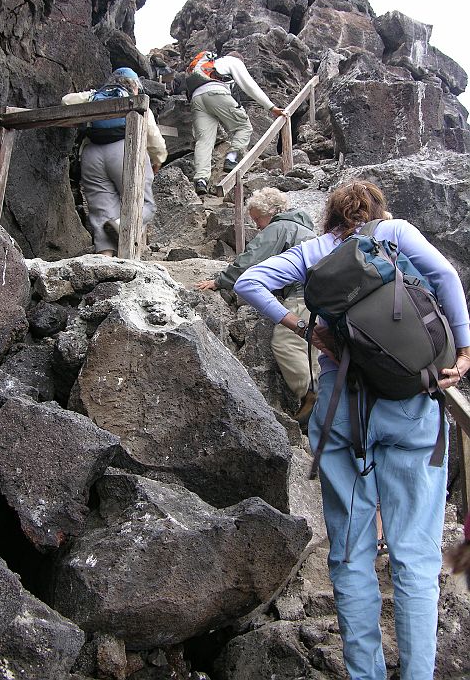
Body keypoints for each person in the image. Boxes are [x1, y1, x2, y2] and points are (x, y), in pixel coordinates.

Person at [233, 180, 470, 680]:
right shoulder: (397, 234)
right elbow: (447, 276)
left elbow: (248, 282)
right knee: (414, 555)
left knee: (349, 554)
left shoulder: (315, 251)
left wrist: (301, 326)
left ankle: (364, 672)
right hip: (410, 408)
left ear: (330, 217)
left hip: (342, 411)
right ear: (378, 211)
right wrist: (465, 349)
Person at [195, 187, 319, 420]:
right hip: (322, 296)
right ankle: (319, 405)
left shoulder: (279, 228)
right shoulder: (304, 229)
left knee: (286, 341)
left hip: (304, 294)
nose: (257, 226)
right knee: (312, 345)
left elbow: (251, 259)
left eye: (257, 219)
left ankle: (312, 395)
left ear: (271, 213)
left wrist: (220, 281)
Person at [61, 68, 167, 256]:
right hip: (125, 149)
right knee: (143, 204)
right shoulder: (134, 99)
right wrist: (158, 160)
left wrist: (93, 95)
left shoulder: (95, 97)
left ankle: (104, 259)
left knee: (102, 211)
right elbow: (154, 139)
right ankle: (121, 230)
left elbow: (66, 101)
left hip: (92, 154)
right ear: (135, 86)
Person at [185, 50, 285, 195]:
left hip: (197, 98)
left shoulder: (211, 64)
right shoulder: (234, 61)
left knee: (204, 141)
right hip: (216, 93)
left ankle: (201, 180)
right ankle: (231, 158)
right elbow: (249, 86)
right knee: (244, 126)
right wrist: (271, 107)